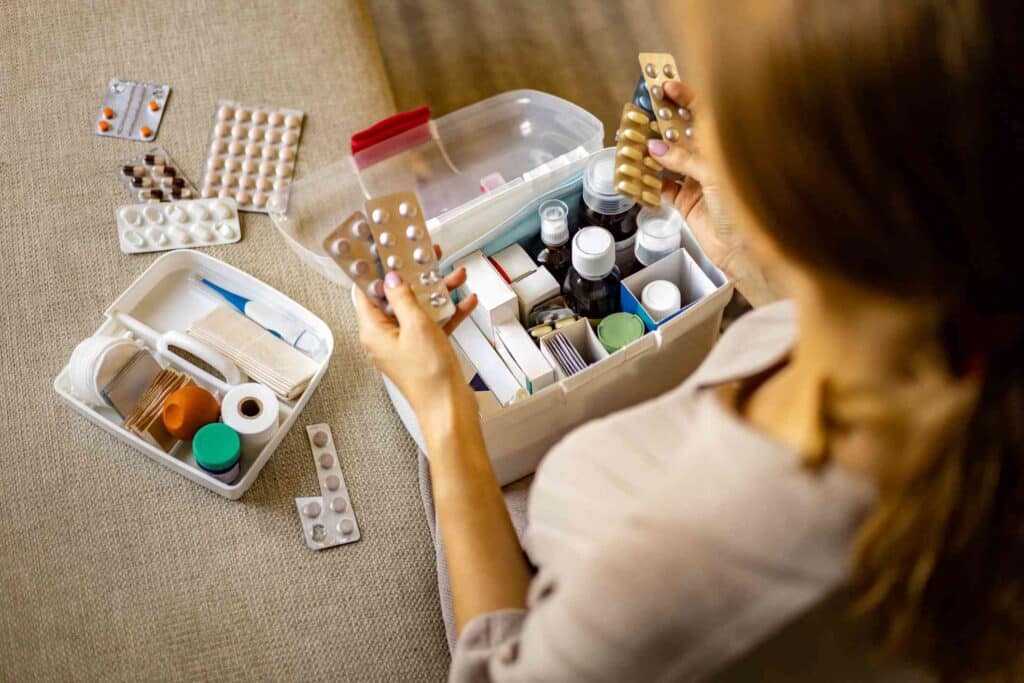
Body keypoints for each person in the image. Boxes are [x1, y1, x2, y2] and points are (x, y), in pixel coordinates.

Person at [353, 0, 1023, 680]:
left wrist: (444, 413)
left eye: (725, 110)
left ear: (781, 200)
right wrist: (747, 264)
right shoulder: (963, 339)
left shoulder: (671, 581)